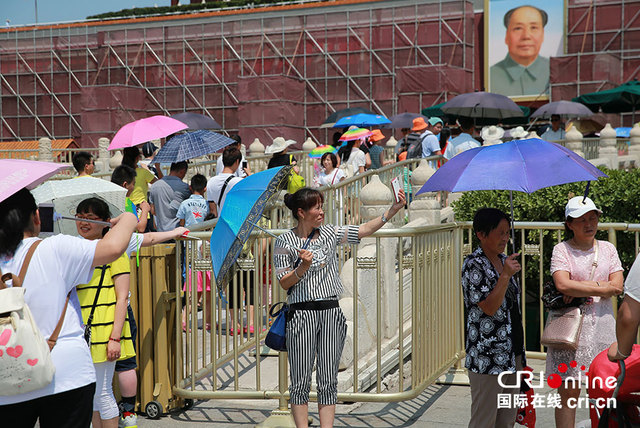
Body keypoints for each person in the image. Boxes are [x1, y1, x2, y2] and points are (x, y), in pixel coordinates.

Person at [0, 187, 137, 427]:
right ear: (36, 216)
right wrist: (129, 216)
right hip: (66, 372)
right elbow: (114, 248)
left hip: (8, 376)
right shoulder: (55, 247)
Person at [274, 187, 406, 428]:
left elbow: (364, 230)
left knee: (328, 379)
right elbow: (284, 282)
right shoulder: (284, 241)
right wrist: (302, 268)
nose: (322, 211)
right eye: (316, 207)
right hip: (301, 315)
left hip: (331, 313)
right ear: (301, 212)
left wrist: (392, 211)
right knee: (300, 380)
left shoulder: (329, 233)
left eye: (322, 206)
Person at [547, 196, 623, 428]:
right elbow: (562, 284)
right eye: (581, 220)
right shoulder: (562, 249)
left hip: (602, 329)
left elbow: (618, 285)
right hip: (571, 333)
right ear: (569, 223)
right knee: (568, 395)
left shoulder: (608, 249)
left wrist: (578, 287)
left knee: (603, 393)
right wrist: (603, 287)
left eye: (593, 218)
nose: (589, 224)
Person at [73, 198, 136, 428]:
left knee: (102, 392)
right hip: (83, 332)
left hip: (105, 329)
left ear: (104, 222)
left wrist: (115, 337)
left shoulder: (115, 252)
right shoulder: (77, 251)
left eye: (91, 218)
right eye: (80, 216)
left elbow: (122, 298)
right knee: (90, 394)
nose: (84, 221)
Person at [462, 208, 524, 428]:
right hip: (487, 357)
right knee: (484, 420)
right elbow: (488, 307)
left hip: (512, 352)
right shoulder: (473, 265)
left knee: (506, 420)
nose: (505, 238)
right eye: (500, 232)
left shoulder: (505, 260)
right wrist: (506, 276)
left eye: (508, 232)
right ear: (481, 234)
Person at [177, 174, 212, 332]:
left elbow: (181, 223)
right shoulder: (207, 204)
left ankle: (184, 319)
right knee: (208, 287)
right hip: (205, 244)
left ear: (190, 187)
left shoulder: (184, 203)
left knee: (193, 284)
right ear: (205, 188)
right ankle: (209, 322)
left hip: (190, 244)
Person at [490, 5, 549, 97]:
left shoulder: (556, 73)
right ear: (506, 36)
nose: (526, 36)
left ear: (543, 35)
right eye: (518, 28)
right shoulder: (491, 76)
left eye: (533, 28)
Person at [148, 161, 190, 232]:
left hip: (160, 231)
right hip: (177, 231)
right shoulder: (184, 187)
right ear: (182, 171)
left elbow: (152, 210)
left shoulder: (155, 186)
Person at [207, 147, 247, 218]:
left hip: (220, 223)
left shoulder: (211, 182)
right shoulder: (239, 182)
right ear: (237, 161)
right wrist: (249, 174)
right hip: (235, 221)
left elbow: (213, 211)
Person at [111, 165, 150, 233]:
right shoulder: (126, 202)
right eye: (133, 184)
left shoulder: (110, 199)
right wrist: (145, 210)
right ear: (125, 185)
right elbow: (140, 228)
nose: (133, 187)